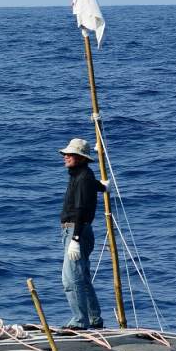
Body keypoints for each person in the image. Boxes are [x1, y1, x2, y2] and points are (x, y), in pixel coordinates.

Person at [59, 138, 109, 330]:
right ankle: (94, 318)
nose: (65, 157)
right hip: (76, 230)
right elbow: (90, 185)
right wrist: (102, 187)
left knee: (71, 279)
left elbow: (80, 209)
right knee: (82, 276)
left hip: (76, 230)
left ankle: (80, 321)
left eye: (69, 155)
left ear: (80, 158)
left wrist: (75, 239)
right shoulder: (82, 175)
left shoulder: (82, 177)